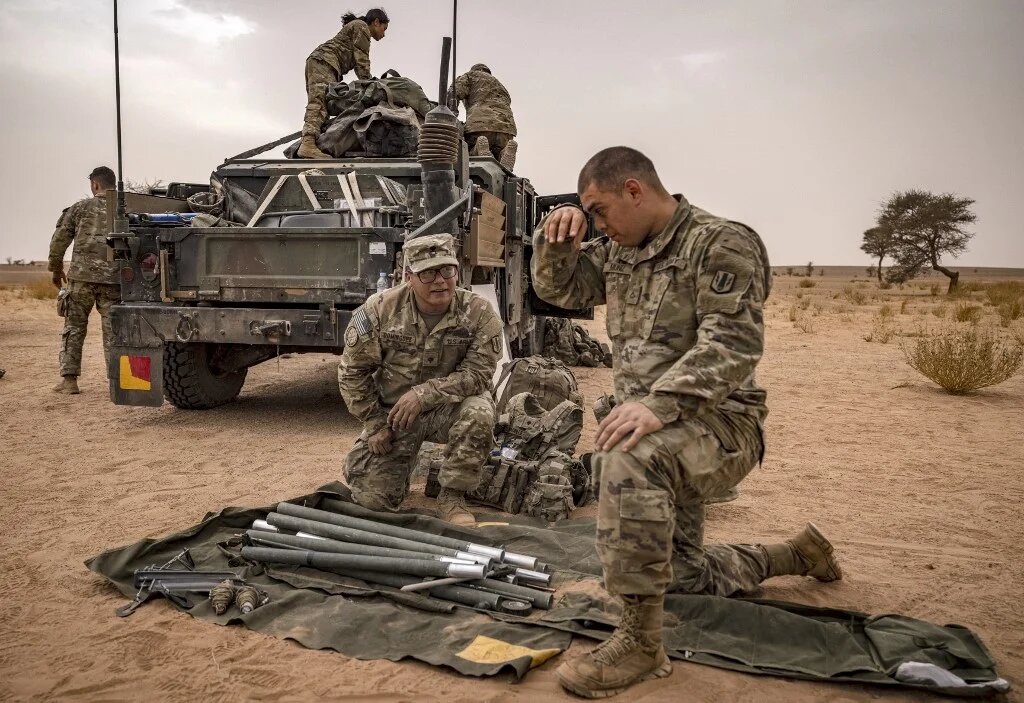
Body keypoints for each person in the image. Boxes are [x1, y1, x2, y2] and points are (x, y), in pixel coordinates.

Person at [531, 147, 842, 698]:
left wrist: (657, 404)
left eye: (599, 210)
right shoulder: (621, 251)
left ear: (634, 189)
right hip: (660, 430)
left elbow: (735, 342)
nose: (598, 223)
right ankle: (795, 554)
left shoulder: (720, 243)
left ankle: (642, 646)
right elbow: (561, 291)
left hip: (719, 428)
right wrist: (556, 243)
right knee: (683, 577)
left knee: (625, 463)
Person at [337, 234, 503, 526]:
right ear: (408, 276)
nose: (440, 280)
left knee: (479, 411)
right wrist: (375, 423)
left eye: (447, 270)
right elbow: (352, 372)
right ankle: (402, 467)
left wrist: (424, 394)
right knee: (373, 503)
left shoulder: (479, 312)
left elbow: (478, 374)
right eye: (427, 272)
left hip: (449, 410)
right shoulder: (379, 310)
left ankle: (452, 495)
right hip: (396, 416)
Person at [48, 166, 121, 395]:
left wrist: (55, 269)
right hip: (113, 280)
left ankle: (69, 381)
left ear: (95, 184)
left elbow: (60, 240)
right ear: (114, 185)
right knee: (114, 332)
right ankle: (115, 383)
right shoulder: (124, 210)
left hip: (81, 279)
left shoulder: (79, 208)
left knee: (74, 328)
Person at [298, 8, 390, 159]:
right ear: (376, 22)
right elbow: (362, 63)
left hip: (323, 63)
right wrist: (372, 86)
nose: (384, 34)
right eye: (384, 28)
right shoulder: (362, 27)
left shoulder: (358, 27)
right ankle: (308, 144)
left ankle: (313, 144)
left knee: (323, 104)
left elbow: (358, 64)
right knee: (319, 103)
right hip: (324, 62)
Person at [451, 64, 518, 170]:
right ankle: (505, 151)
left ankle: (478, 147)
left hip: (480, 125)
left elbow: (453, 93)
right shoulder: (501, 87)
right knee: (499, 161)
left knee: (467, 154)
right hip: (506, 129)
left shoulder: (470, 76)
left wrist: (451, 114)